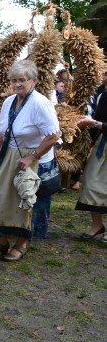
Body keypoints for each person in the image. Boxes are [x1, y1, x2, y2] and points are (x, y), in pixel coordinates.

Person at [0, 60, 60, 260]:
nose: (17, 85)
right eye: (14, 80)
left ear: (34, 81)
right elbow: (1, 131)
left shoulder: (40, 103)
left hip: (35, 158)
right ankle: (2, 240)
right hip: (11, 155)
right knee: (2, 198)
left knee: (27, 201)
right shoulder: (9, 101)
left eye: (22, 80)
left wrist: (33, 156)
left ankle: (22, 243)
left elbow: (53, 136)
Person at [75, 85, 107, 242]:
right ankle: (97, 224)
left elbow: (97, 122)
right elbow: (97, 119)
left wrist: (95, 123)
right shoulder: (104, 95)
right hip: (102, 145)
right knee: (90, 182)